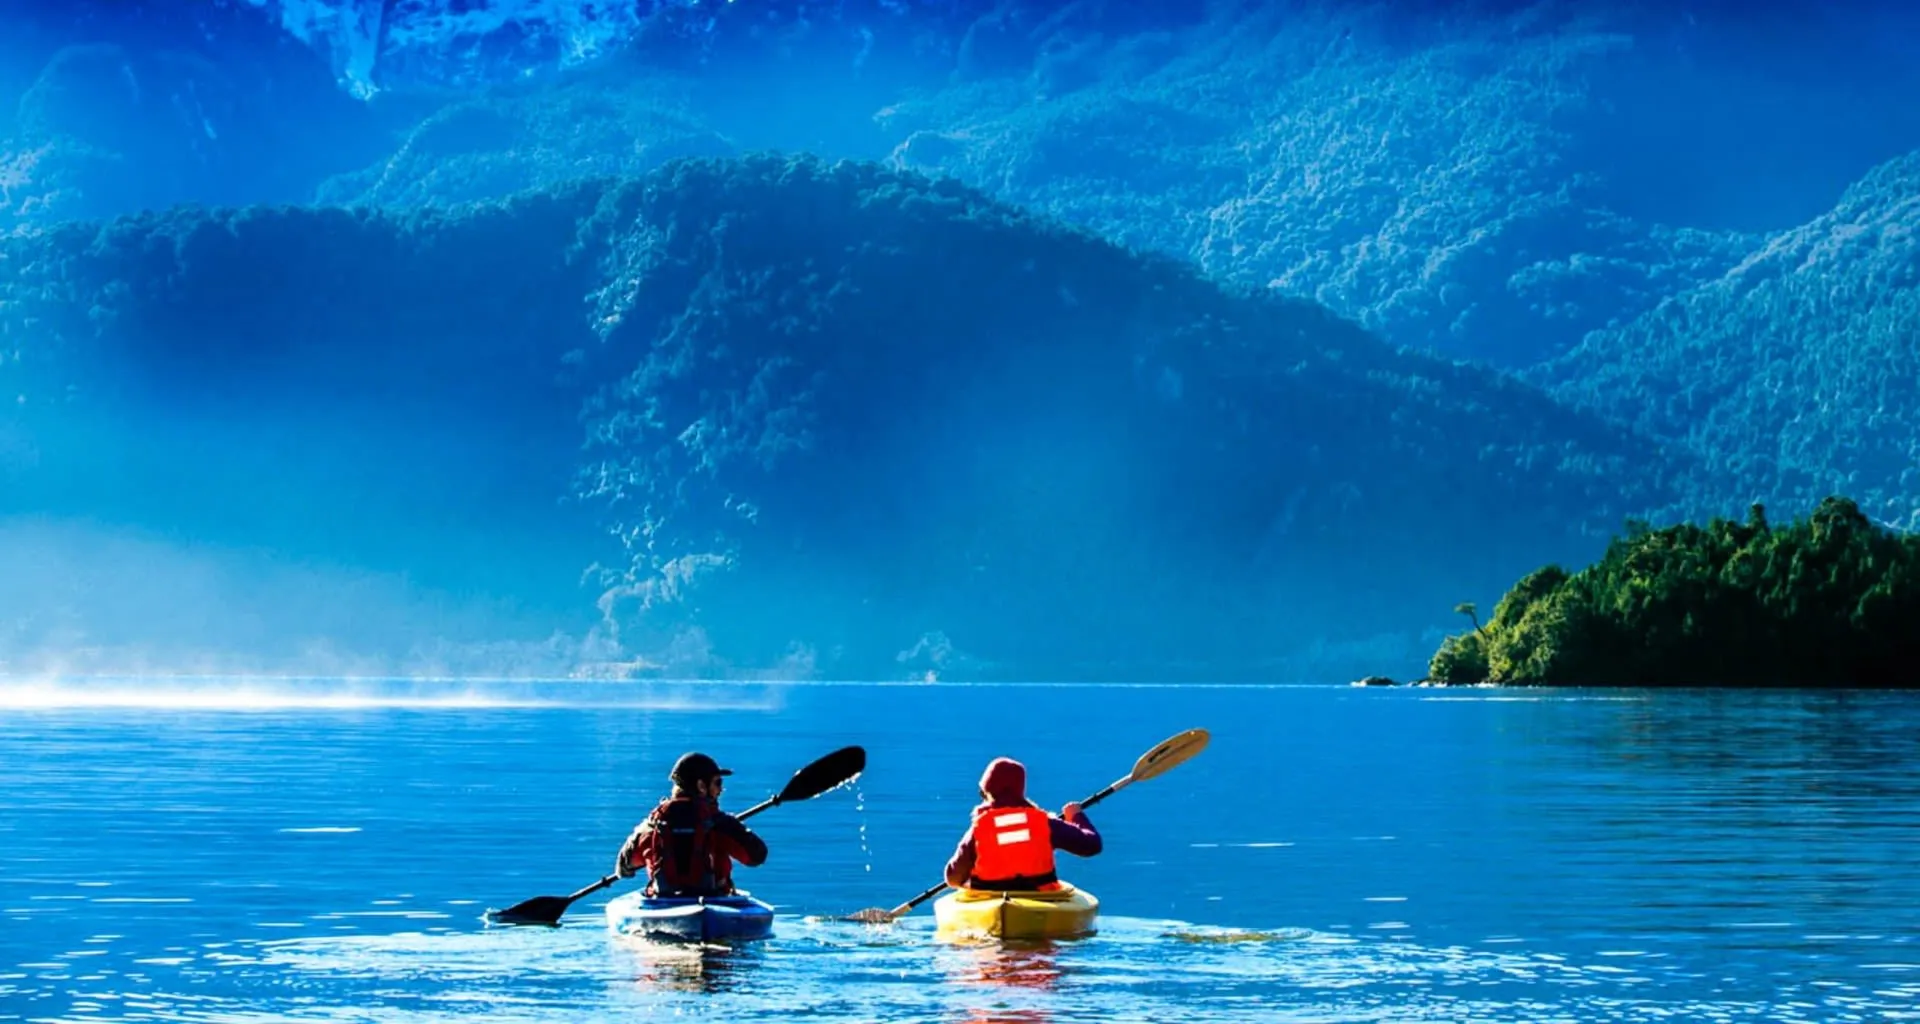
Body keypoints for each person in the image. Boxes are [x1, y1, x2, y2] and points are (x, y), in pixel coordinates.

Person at [615, 751, 768, 897]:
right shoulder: (720, 823)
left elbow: (624, 867)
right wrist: (735, 826)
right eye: (717, 782)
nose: (721, 789)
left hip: (663, 902)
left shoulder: (652, 825)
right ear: (701, 786)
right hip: (713, 901)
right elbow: (756, 856)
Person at [944, 756, 1101, 891]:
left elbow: (953, 878)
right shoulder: (1045, 824)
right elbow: (1092, 845)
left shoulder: (979, 829)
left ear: (988, 792)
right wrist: (1075, 816)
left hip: (988, 894)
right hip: (1039, 895)